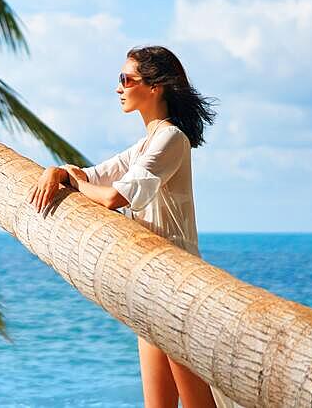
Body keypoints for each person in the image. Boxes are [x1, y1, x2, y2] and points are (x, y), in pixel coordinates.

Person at [29, 45, 225, 408]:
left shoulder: (171, 139)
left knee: (198, 404)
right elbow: (88, 176)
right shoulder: (145, 145)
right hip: (150, 281)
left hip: (177, 284)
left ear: (155, 87)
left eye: (126, 79)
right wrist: (55, 172)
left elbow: (113, 197)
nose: (118, 87)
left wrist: (71, 181)